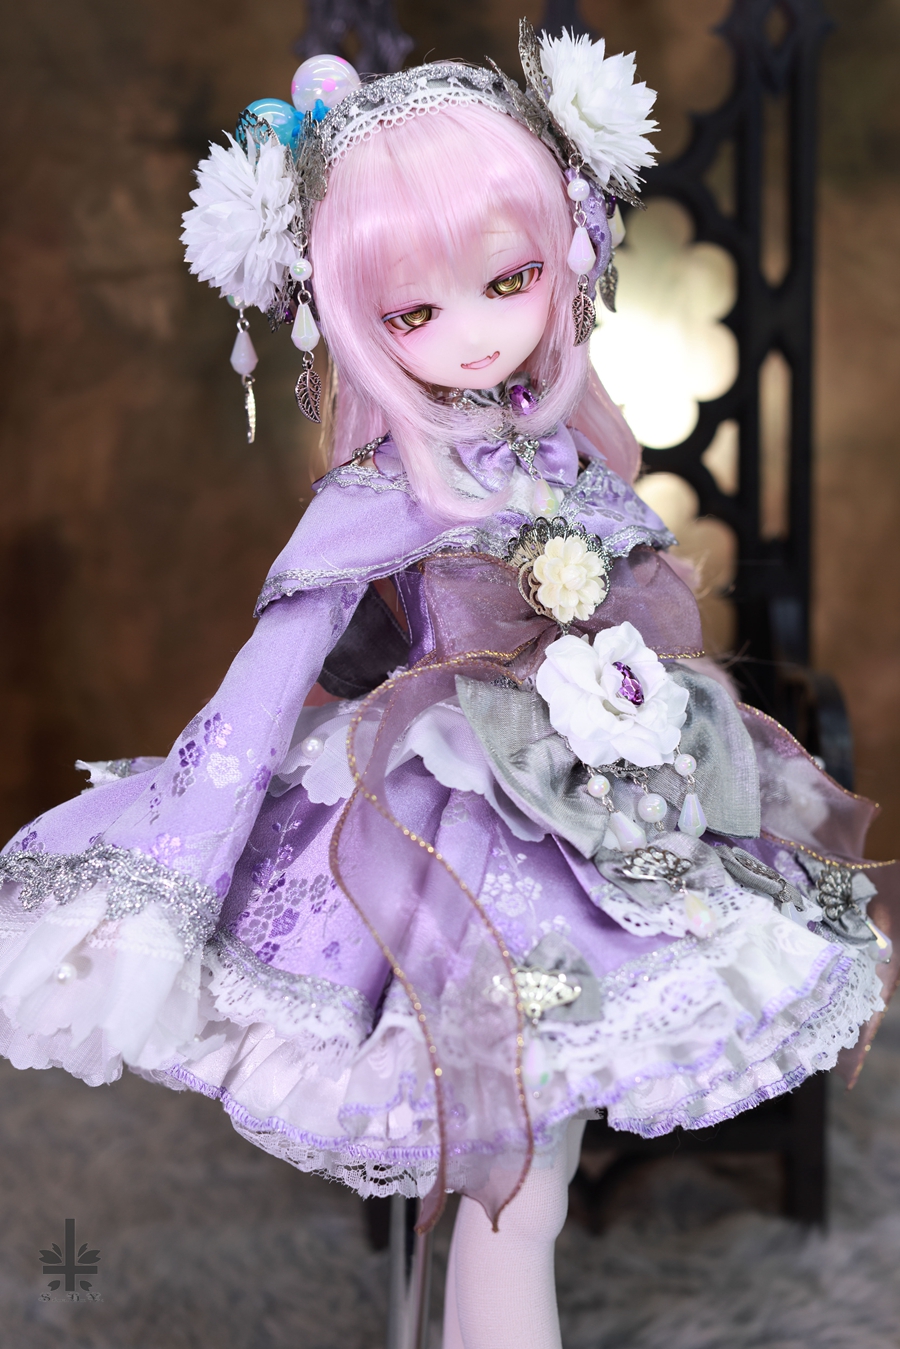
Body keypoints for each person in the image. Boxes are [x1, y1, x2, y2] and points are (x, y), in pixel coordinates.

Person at [0, 23, 895, 1349]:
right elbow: (276, 675)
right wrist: (174, 868)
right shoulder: (384, 491)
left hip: (605, 813)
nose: (471, 336)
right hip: (449, 831)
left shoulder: (566, 452)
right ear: (350, 319)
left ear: (569, 252)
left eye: (508, 280)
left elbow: (649, 615)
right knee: (509, 1183)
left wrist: (672, 734)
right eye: (413, 314)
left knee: (521, 1181)